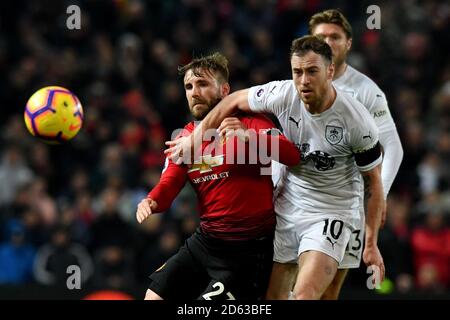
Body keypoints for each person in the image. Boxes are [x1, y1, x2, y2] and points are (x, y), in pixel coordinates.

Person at [166, 36, 385, 300]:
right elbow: (232, 101)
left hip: (331, 211)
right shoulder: (282, 93)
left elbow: (373, 182)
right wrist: (197, 138)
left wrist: (371, 241)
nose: (303, 80)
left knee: (306, 295)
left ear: (329, 71)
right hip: (288, 205)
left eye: (312, 71)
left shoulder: (356, 121)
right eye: (297, 72)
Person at [136, 53, 300, 300]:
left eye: (202, 84)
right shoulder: (185, 139)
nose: (194, 92)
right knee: (152, 298)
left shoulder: (251, 122)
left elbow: (292, 155)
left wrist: (248, 137)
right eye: (189, 86)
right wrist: (151, 200)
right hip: (206, 242)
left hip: (248, 251)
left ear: (225, 90)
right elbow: (169, 184)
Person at [306, 9, 403, 299]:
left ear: (348, 43)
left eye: (335, 37)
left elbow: (393, 147)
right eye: (321, 36)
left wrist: (380, 196)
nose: (328, 41)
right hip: (301, 198)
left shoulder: (365, 91)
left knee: (328, 289)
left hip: (346, 206)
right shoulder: (299, 83)